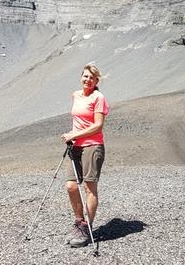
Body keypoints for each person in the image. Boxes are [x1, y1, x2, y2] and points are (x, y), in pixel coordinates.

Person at [60, 63, 109, 248]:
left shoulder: (99, 98)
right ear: (81, 77)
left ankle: (87, 228)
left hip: (92, 146)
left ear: (97, 81)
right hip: (76, 147)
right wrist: (72, 136)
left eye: (92, 78)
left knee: (89, 188)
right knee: (71, 186)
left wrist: (74, 135)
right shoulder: (76, 95)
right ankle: (79, 222)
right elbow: (78, 120)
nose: (88, 80)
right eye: (85, 76)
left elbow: (98, 126)